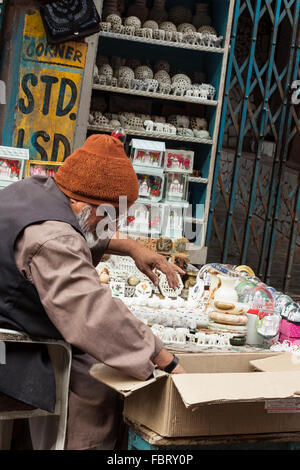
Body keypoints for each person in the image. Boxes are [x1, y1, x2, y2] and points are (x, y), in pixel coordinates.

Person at [0, 134, 185, 450]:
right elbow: (92, 314)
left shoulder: (40, 189)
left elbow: (76, 230)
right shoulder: (52, 239)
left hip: (12, 312)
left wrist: (129, 247)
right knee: (97, 377)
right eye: (111, 215)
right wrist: (163, 358)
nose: (113, 226)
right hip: (9, 342)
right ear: (82, 203)